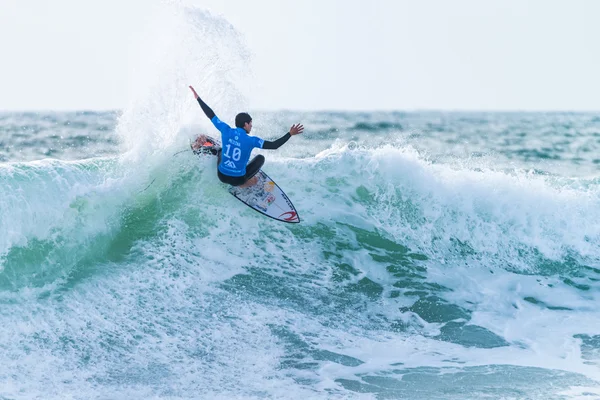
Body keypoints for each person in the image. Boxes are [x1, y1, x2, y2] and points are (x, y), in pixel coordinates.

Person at [189, 85, 304, 188]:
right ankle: (246, 184)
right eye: (250, 123)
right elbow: (274, 145)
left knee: (220, 150)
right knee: (260, 158)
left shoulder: (225, 130)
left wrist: (198, 98)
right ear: (245, 124)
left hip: (221, 176)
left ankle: (198, 148)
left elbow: (211, 115)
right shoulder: (252, 140)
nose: (251, 126)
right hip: (238, 180)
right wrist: (290, 134)